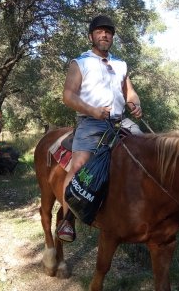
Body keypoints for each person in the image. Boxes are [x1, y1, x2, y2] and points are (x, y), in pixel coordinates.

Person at [57, 15, 143, 242]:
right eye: (99, 32)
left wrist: (135, 103)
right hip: (90, 122)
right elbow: (68, 95)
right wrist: (93, 110)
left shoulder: (121, 64)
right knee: (78, 165)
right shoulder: (80, 62)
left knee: (147, 155)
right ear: (91, 36)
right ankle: (67, 219)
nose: (105, 35)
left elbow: (129, 92)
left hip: (120, 121)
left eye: (109, 32)